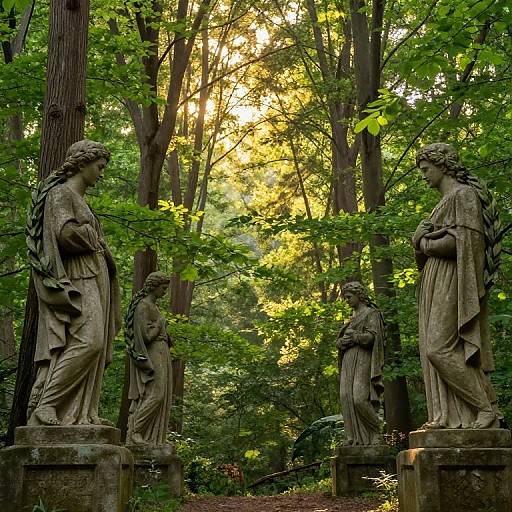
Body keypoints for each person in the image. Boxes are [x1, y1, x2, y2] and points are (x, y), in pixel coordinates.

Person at [27, 140, 121, 426]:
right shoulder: (60, 195)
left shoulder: (82, 202)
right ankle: (48, 404)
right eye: (99, 166)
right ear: (83, 163)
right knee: (89, 342)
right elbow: (65, 236)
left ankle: (82, 414)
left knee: (98, 343)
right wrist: (94, 238)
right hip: (79, 276)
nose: (101, 173)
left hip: (96, 275)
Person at [413, 142, 500, 429]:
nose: (424, 176)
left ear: (442, 166)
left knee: (439, 348)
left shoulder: (463, 196)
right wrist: (423, 242)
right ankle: (447, 416)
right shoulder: (443, 202)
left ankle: (484, 409)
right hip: (436, 280)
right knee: (432, 347)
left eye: (426, 170)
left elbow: (463, 243)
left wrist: (423, 241)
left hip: (453, 280)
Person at [125, 271, 173, 445]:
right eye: (163, 287)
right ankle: (136, 432)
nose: (165, 291)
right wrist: (160, 325)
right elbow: (144, 336)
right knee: (156, 394)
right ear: (154, 286)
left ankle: (155, 438)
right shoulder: (144, 306)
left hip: (162, 350)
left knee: (164, 394)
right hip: (152, 352)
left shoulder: (154, 306)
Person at [336, 281, 385, 445]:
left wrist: (354, 337)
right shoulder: (351, 319)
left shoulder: (372, 314)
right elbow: (341, 341)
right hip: (348, 360)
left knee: (359, 398)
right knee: (346, 397)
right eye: (345, 298)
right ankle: (353, 438)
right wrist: (342, 342)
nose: (347, 300)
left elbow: (372, 338)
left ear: (359, 295)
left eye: (349, 297)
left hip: (363, 359)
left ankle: (376, 431)